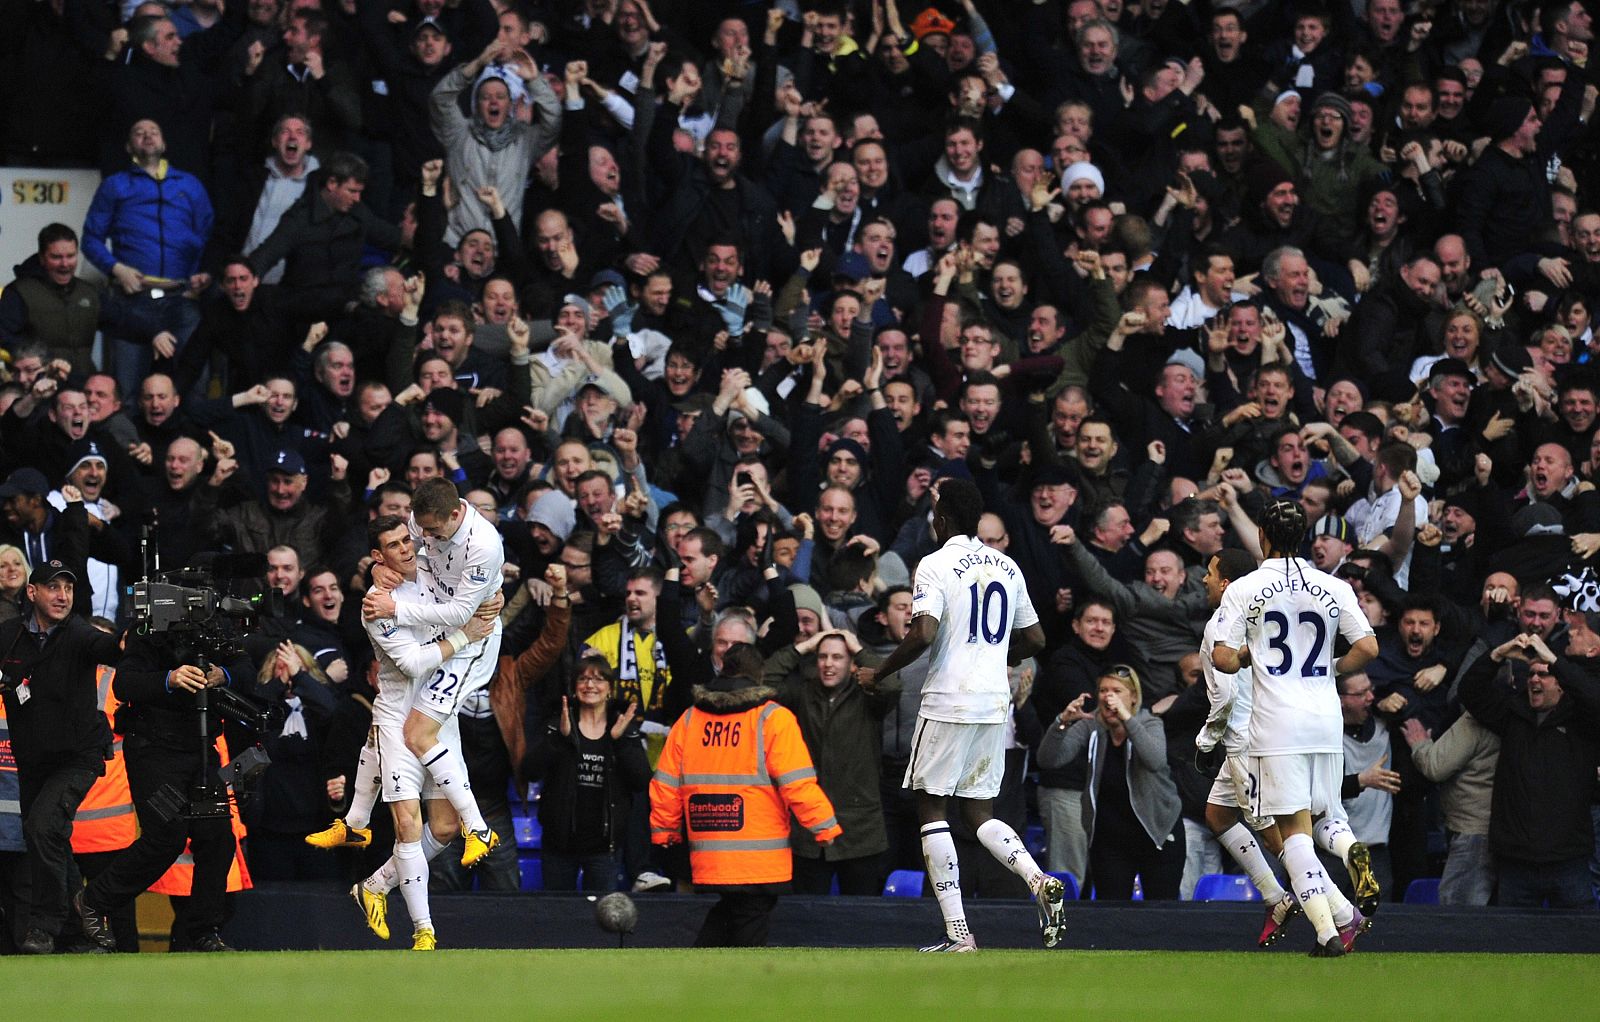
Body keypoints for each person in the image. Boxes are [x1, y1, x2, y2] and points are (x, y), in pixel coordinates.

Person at [868, 477, 1062, 952]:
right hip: (994, 705)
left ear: (942, 518)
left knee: (932, 808)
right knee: (979, 812)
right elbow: (1036, 639)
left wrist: (879, 670)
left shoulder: (934, 564)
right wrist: (1001, 657)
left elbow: (923, 632)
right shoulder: (1006, 565)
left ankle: (959, 933)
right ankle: (1037, 879)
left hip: (949, 699)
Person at [1211, 500, 1379, 956]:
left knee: (1293, 832)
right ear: (1304, 535)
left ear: (1263, 534)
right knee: (1327, 817)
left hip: (1276, 724)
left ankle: (1328, 934)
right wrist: (1333, 667)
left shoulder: (1245, 588)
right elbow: (1368, 646)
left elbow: (1221, 658)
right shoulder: (1333, 586)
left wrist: (1250, 654)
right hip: (1325, 719)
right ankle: (1349, 856)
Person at [335, 514, 496, 949]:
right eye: (394, 545)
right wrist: (466, 636)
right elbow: (410, 663)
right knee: (409, 824)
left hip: (440, 710)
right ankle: (424, 930)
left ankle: (376, 886)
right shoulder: (375, 604)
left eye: (408, 540)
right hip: (396, 718)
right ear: (377, 555)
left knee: (443, 829)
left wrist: (492, 595)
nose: (407, 548)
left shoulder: (429, 567)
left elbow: (473, 575)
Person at [648, 643, 841, 947]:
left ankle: (698, 973)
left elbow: (665, 784)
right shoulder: (773, 719)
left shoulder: (689, 720)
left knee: (733, 912)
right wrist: (824, 825)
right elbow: (796, 783)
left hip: (708, 851)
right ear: (759, 675)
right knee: (749, 917)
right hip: (759, 856)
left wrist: (665, 831)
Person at [360, 478, 505, 866]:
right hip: (440, 641)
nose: (423, 537)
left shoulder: (484, 546)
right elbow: (406, 556)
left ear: (456, 513)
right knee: (438, 821)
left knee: (416, 732)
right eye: (418, 528)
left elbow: (461, 614)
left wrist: (396, 610)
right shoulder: (420, 519)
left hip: (474, 640)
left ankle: (479, 828)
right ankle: (376, 883)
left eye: (433, 531)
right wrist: (379, 572)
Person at [0, 560, 123, 954]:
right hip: (33, 759)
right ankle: (82, 934)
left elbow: (108, 647)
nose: (62, 596)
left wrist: (132, 637)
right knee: (53, 841)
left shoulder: (79, 634)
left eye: (68, 588)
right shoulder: (9, 635)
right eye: (53, 587)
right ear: (32, 592)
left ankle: (45, 927)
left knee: (39, 829)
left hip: (79, 756)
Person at [1193, 548, 1301, 947]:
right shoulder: (1266, 617)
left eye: (1209, 573)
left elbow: (1223, 696)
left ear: (1226, 583)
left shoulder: (1221, 626)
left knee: (1272, 833)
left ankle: (1337, 907)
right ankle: (1276, 898)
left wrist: (1206, 742)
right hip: (1275, 730)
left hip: (1243, 741)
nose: (1204, 580)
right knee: (1218, 815)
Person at [1038, 663, 1185, 900]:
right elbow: (1049, 759)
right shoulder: (1092, 725)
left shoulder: (1149, 723)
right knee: (1112, 914)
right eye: (1104, 691)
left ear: (1134, 697)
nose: (1109, 697)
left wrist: (1127, 718)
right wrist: (1062, 722)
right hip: (1111, 839)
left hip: (1157, 834)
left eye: (1117, 691)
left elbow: (1155, 760)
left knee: (1161, 912)